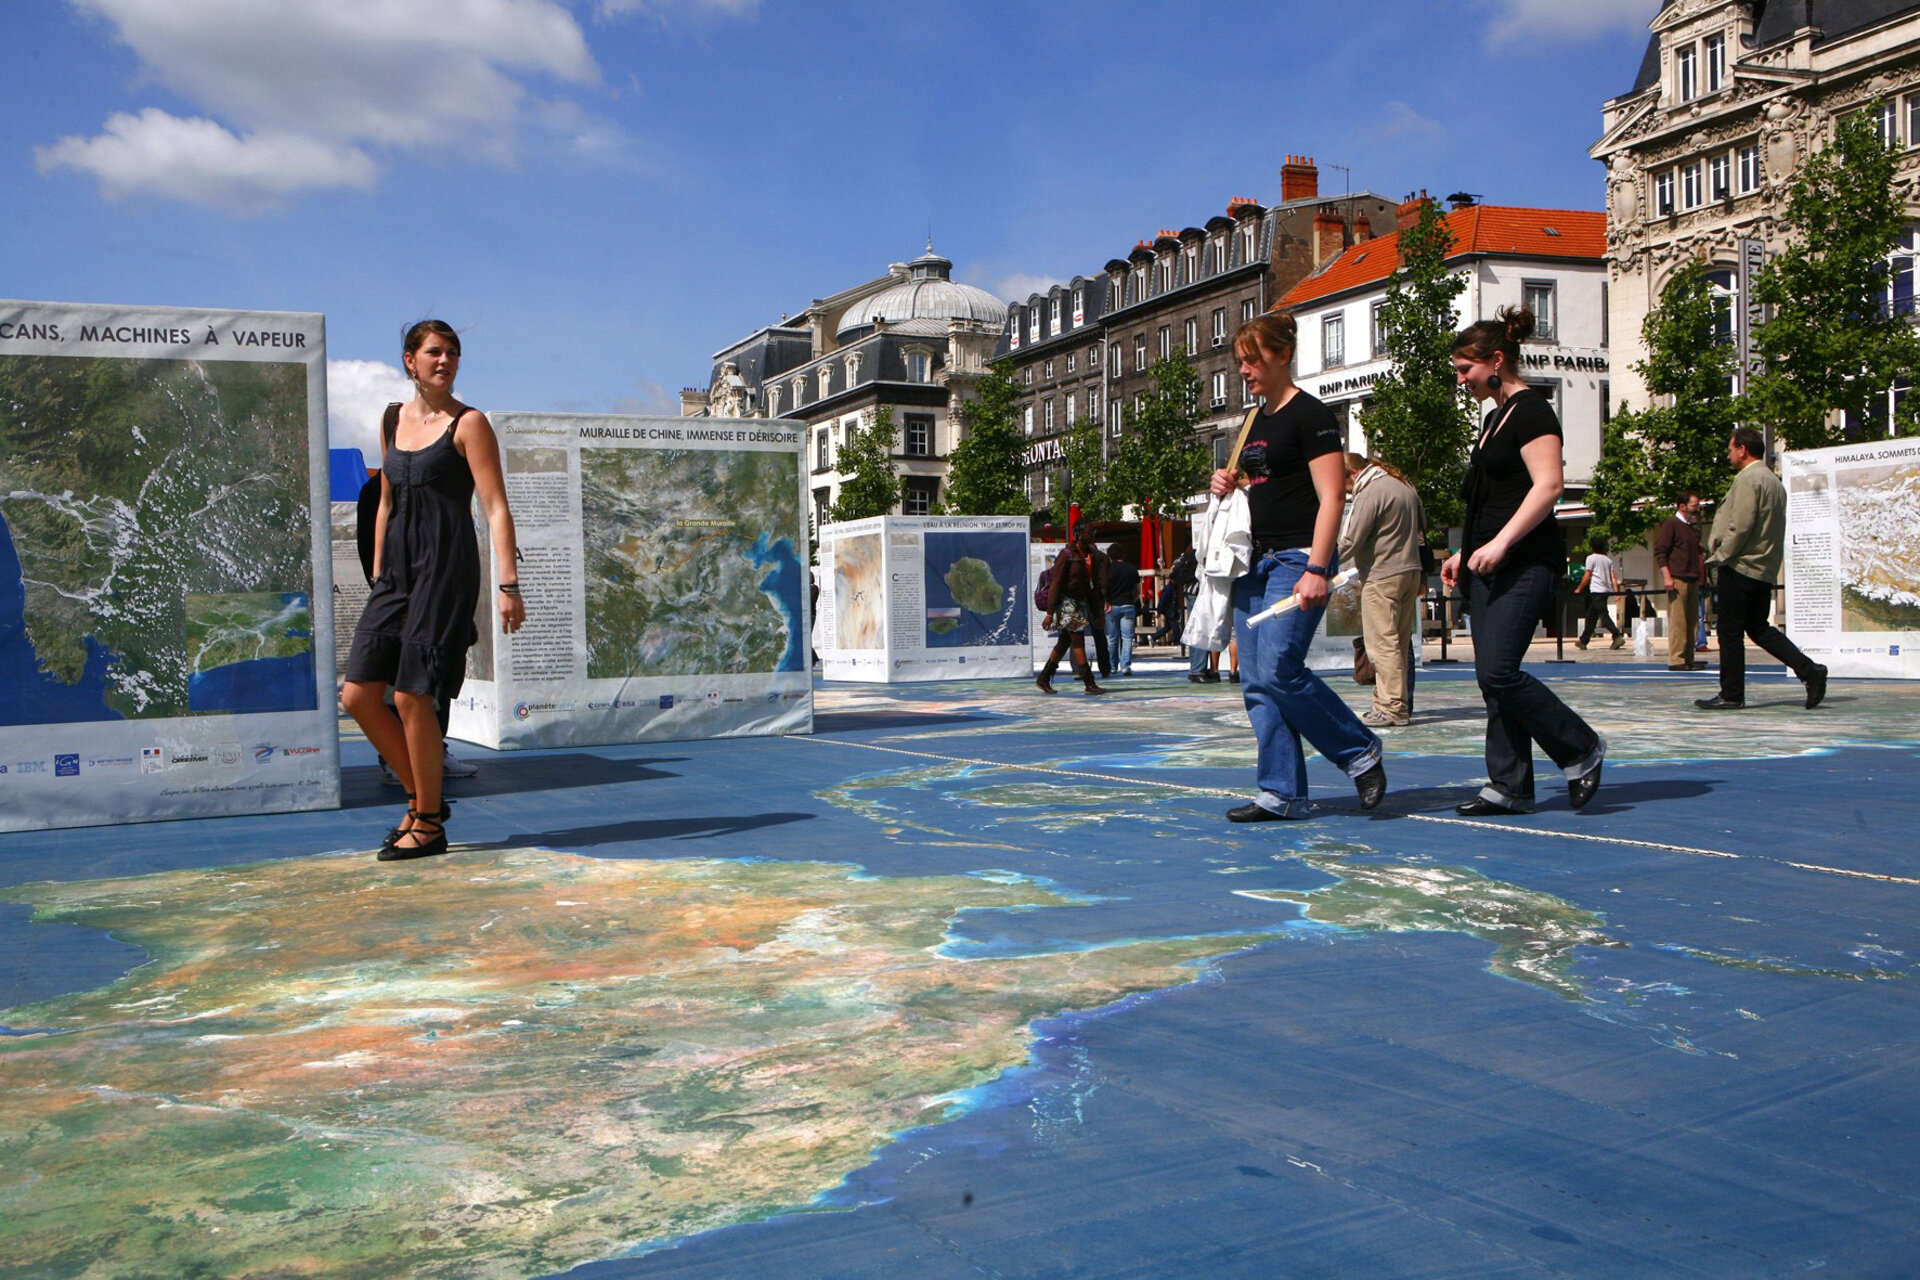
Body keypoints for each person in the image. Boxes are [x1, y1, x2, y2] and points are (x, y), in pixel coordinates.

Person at [342, 321, 525, 861]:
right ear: (409, 360)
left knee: (411, 694)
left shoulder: (469, 425)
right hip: (396, 575)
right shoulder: (393, 420)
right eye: (434, 352)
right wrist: (380, 572)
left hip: (446, 569)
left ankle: (425, 820)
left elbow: (496, 507)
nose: (444, 361)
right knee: (357, 695)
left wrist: (508, 585)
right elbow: (386, 502)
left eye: (452, 353)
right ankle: (426, 803)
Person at [1209, 313, 1385, 821]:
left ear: (1283, 355)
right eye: (1240, 361)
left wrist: (1318, 566)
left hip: (1295, 558)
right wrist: (1227, 483)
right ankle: (1280, 791)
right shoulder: (1252, 421)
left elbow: (1332, 496)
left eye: (1253, 359)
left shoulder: (1311, 415)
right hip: (1253, 562)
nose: (1244, 370)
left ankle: (1358, 751)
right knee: (1257, 680)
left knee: (1282, 668)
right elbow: (1261, 486)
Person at [1443, 307, 1605, 816]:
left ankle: (1580, 748)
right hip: (1489, 564)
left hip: (1527, 562)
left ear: (1495, 360)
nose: (1462, 379)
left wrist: (1501, 544)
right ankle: (1509, 785)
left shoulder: (1534, 410)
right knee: (1491, 678)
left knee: (1500, 673)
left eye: (1465, 369)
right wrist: (1468, 550)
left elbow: (1547, 487)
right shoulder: (1495, 419)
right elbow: (1492, 497)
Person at [1696, 428, 1827, 711]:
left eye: (1730, 448)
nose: (1728, 453)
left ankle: (1731, 694)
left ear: (1743, 449)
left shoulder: (1748, 479)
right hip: (1764, 566)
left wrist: (1721, 556)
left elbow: (1740, 525)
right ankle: (1809, 670)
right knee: (1758, 628)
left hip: (1741, 565)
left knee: (1729, 632)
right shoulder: (1773, 481)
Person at [1339, 452, 1425, 727]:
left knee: (1381, 645)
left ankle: (1391, 707)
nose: (1345, 492)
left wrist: (1317, 565)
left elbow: (1351, 539)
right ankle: (1393, 703)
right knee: (1398, 643)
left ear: (1352, 474)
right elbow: (1422, 532)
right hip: (1410, 571)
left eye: (1343, 485)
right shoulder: (1403, 486)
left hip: (1382, 573)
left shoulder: (1370, 491)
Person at [1037, 526, 1108, 695]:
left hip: (1081, 603)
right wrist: (1049, 613)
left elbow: (1091, 587)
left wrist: (1098, 614)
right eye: (1089, 532)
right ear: (1079, 535)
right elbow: (1056, 584)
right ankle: (1089, 682)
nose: (1092, 535)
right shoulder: (1067, 555)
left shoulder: (1091, 556)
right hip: (1067, 603)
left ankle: (1044, 678)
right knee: (1078, 641)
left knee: (1063, 643)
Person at [1653, 492, 1709, 671]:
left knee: (1693, 621)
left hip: (1693, 579)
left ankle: (1688, 657)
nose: (1697, 509)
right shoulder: (1671, 524)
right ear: (1683, 506)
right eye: (1694, 505)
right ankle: (1677, 659)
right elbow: (1661, 551)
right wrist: (1667, 576)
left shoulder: (1690, 527)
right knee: (1678, 621)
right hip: (1678, 578)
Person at [1575, 536, 1626, 650]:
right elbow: (1613, 577)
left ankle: (1617, 636)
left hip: (1596, 590)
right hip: (1605, 590)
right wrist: (1616, 592)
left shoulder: (1590, 558)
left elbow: (1587, 575)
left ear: (1592, 547)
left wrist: (1579, 588)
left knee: (1603, 615)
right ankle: (1584, 640)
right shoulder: (1607, 560)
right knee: (1591, 616)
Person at [1104, 543, 1140, 676]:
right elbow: (1137, 590)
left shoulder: (1108, 569)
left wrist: (1106, 602)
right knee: (1128, 638)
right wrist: (1132, 600)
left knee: (1113, 638)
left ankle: (1113, 666)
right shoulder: (1131, 569)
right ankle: (1125, 666)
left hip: (1112, 606)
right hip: (1128, 605)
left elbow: (1104, 588)